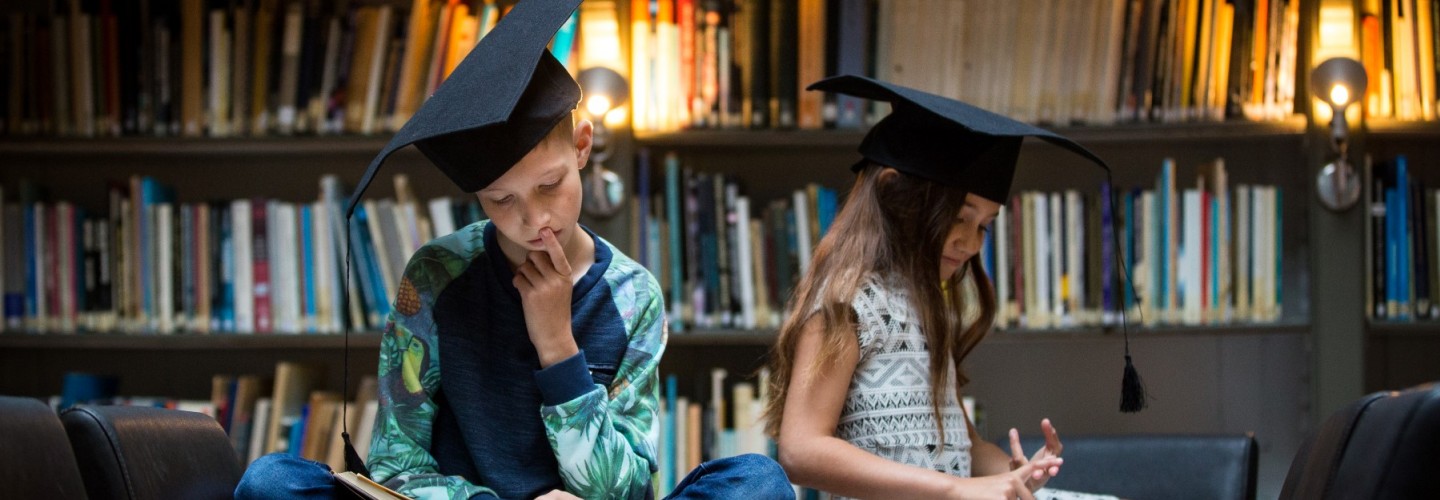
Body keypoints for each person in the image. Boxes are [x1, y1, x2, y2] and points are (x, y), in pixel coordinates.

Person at [235, 1, 791, 499]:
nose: (534, 219)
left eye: (549, 186)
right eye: (501, 200)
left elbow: (621, 489)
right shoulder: (435, 274)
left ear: (582, 146)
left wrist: (557, 348)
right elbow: (394, 465)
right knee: (273, 482)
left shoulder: (632, 294)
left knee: (757, 483)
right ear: (477, 195)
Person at [763, 75, 1136, 500]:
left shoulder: (926, 305)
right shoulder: (846, 303)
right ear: (895, 195)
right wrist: (954, 490)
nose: (972, 242)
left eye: (985, 227)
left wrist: (1012, 475)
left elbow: (965, 444)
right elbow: (800, 449)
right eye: (960, 217)